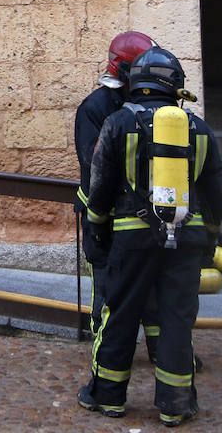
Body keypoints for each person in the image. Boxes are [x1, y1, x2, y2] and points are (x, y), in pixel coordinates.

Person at [78, 47, 222, 427]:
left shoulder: (117, 123)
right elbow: (215, 194)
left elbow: (101, 185)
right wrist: (210, 238)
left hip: (132, 239)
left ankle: (107, 397)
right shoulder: (199, 129)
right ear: (176, 85)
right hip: (187, 241)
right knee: (177, 320)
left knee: (120, 313)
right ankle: (175, 404)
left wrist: (96, 227)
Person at [74, 30, 154, 334]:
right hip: (103, 217)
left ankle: (163, 350)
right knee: (107, 285)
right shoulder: (94, 108)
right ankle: (106, 350)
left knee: (152, 285)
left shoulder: (148, 102)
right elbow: (94, 164)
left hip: (144, 212)